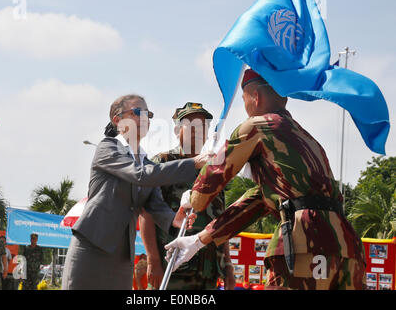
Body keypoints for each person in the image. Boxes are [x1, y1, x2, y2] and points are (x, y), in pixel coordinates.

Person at [165, 69, 366, 290]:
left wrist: (193, 198)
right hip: (347, 247)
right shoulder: (307, 139)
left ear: (255, 97)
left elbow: (216, 172)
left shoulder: (257, 126)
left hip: (305, 241)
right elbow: (259, 200)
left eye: (244, 100)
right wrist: (199, 239)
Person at [62, 94, 210, 290]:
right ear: (117, 120)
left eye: (148, 114)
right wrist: (193, 163)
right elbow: (141, 175)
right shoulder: (107, 148)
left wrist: (174, 219)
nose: (144, 118)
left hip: (122, 255)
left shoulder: (146, 162)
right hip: (91, 246)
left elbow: (154, 205)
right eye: (138, 112)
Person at [140, 102, 235, 290]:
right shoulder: (163, 163)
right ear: (176, 130)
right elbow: (146, 214)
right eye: (190, 125)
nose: (197, 130)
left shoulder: (215, 170)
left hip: (208, 270)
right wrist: (153, 261)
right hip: (172, 268)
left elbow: (220, 221)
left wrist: (228, 265)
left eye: (202, 126)